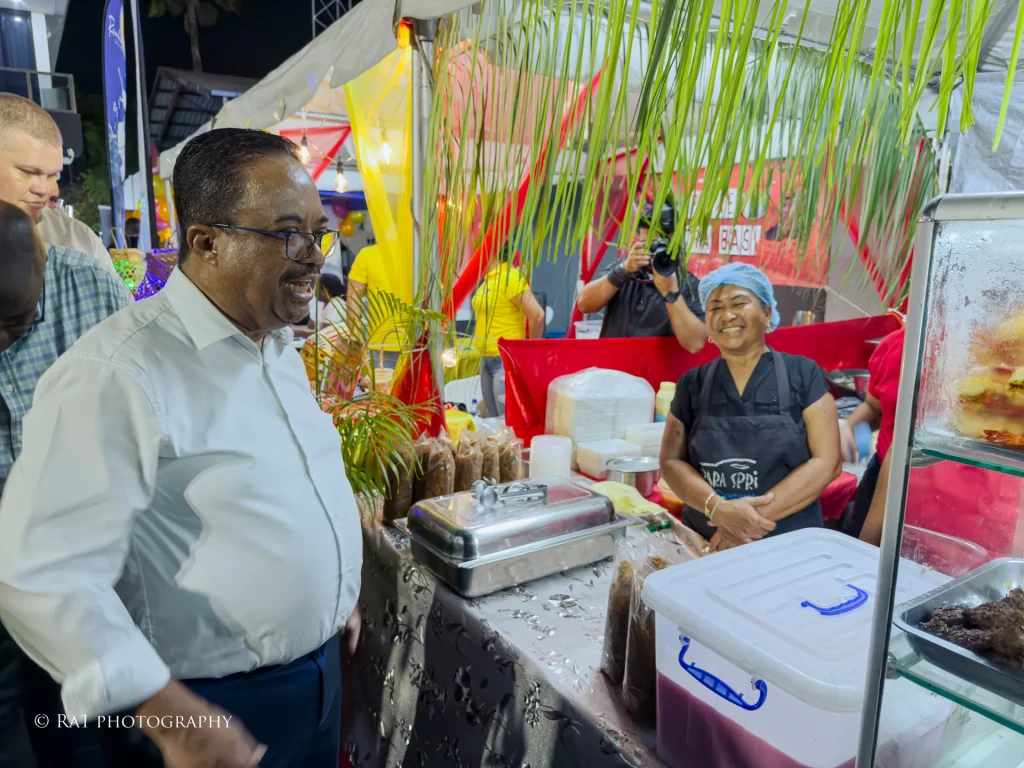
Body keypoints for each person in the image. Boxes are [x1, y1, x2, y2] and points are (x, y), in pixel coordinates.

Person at [0, 128, 362, 768]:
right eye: (288, 234)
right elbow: (39, 572)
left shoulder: (275, 345)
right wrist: (172, 717)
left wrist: (332, 592)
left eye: (318, 233)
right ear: (206, 242)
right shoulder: (116, 372)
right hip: (207, 709)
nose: (313, 256)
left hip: (316, 676)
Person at [0, 199, 130, 766]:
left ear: (43, 270)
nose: (3, 340)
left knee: (88, 733)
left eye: (16, 323)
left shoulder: (89, 289)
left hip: (85, 570)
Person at [660, 263, 841, 552]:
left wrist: (743, 523)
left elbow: (827, 462)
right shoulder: (692, 383)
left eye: (739, 303)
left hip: (787, 544)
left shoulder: (803, 374)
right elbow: (671, 461)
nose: (727, 315)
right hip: (708, 544)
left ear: (767, 313)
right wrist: (718, 509)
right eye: (715, 308)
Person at [576, 200, 706, 353]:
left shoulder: (688, 285)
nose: (655, 251)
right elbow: (584, 305)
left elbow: (696, 344)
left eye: (661, 245)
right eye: (647, 244)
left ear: (676, 243)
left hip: (661, 368)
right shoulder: (624, 270)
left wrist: (670, 293)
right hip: (616, 365)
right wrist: (624, 270)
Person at [839, 327, 903, 544]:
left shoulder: (984, 354)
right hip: (881, 474)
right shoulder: (894, 345)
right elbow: (875, 407)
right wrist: (849, 427)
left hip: (951, 487)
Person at [471, 243, 546, 417]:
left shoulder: (510, 277)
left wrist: (530, 353)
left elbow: (537, 315)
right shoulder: (488, 280)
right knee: (494, 419)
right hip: (486, 359)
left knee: (507, 420)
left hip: (504, 359)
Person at [347, 241, 412, 368]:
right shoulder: (368, 255)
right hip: (382, 345)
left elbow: (353, 298)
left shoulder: (421, 253)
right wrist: (355, 337)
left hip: (421, 344)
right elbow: (353, 298)